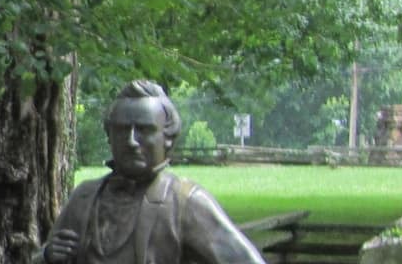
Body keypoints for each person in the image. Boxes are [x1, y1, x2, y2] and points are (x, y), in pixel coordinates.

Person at [40, 80, 264, 264]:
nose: (131, 141)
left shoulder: (185, 203)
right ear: (109, 136)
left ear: (167, 138)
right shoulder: (85, 198)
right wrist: (46, 257)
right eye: (121, 130)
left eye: (144, 130)